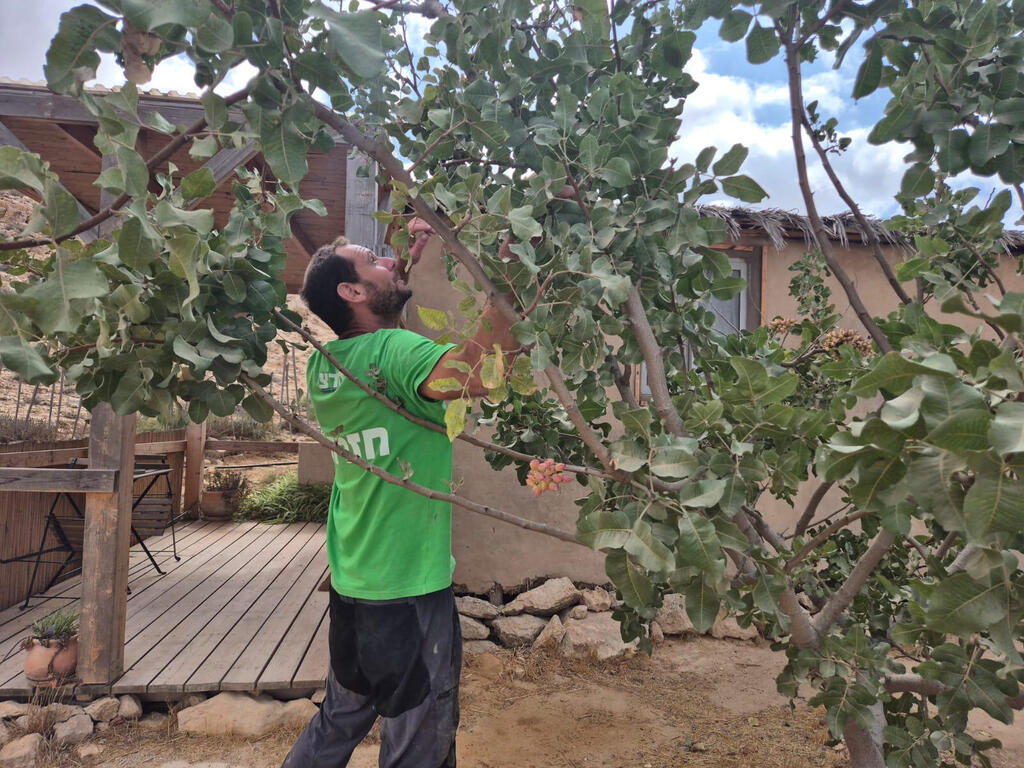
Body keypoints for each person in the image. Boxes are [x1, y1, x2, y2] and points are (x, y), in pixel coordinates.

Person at [281, 218, 519, 768]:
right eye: (375, 260)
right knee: (419, 739)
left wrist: (404, 263)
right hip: (408, 588)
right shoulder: (394, 352)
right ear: (353, 292)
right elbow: (475, 374)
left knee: (341, 716)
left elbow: (380, 324)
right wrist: (510, 268)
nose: (390, 260)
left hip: (355, 578)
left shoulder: (328, 364)